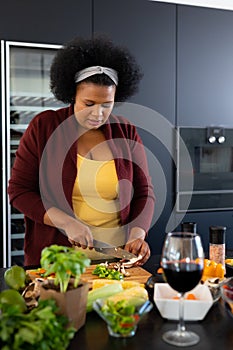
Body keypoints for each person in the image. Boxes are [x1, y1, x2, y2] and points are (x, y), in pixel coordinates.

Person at [8, 36, 155, 267]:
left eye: (107, 104)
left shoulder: (125, 131)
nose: (98, 113)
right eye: (89, 104)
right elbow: (19, 191)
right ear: (72, 96)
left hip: (115, 262)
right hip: (59, 264)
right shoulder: (44, 127)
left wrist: (138, 233)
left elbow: (144, 191)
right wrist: (65, 222)